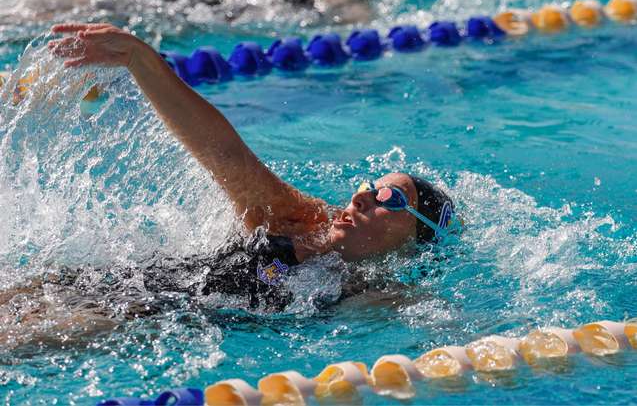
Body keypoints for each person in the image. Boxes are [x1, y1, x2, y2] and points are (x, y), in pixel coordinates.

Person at [0, 22, 458, 348]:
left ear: (414, 241)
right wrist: (139, 59)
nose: (361, 194)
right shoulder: (298, 220)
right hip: (115, 291)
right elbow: (222, 154)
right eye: (370, 185)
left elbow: (451, 332)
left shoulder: (378, 294)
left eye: (390, 199)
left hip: (124, 326)